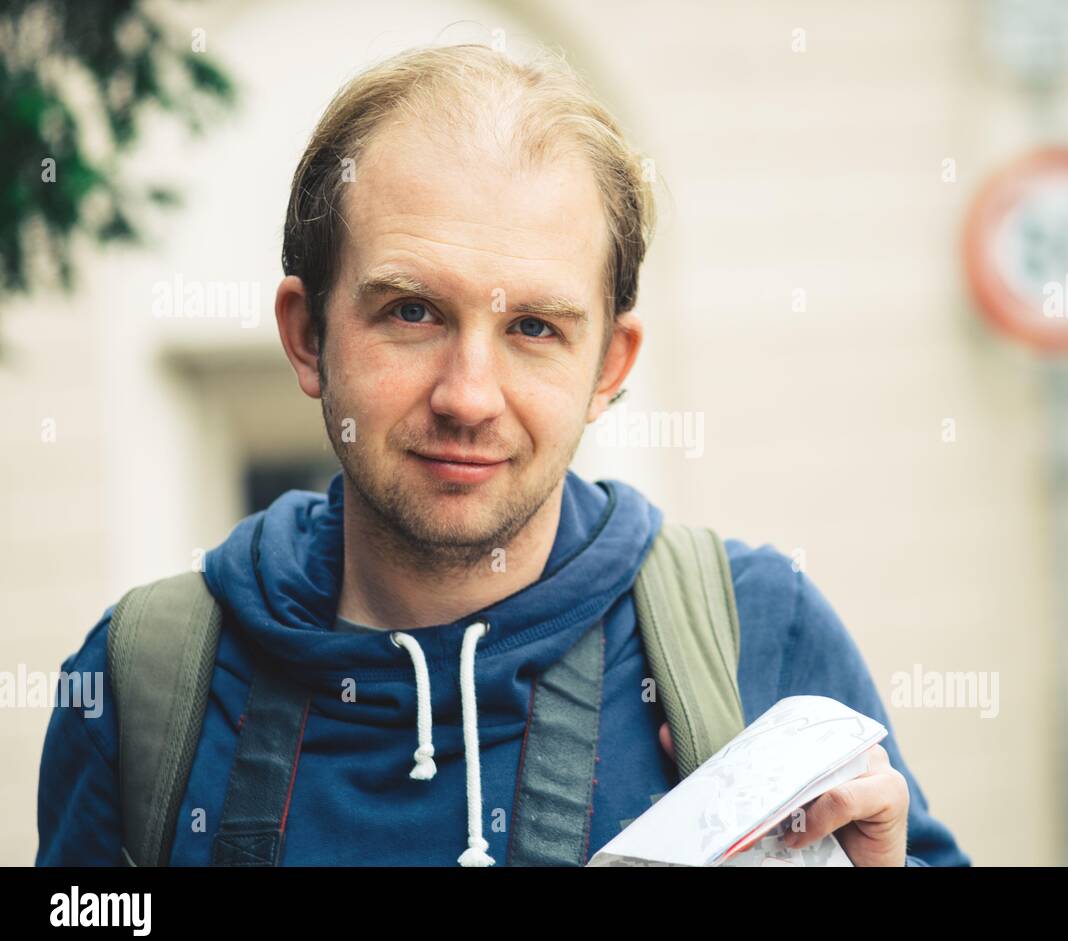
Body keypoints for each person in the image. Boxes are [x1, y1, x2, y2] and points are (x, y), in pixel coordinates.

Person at [35, 42, 970, 867]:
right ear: (308, 335)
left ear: (610, 364)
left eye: (533, 326)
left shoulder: (756, 637)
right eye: (412, 312)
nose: (469, 397)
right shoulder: (143, 680)